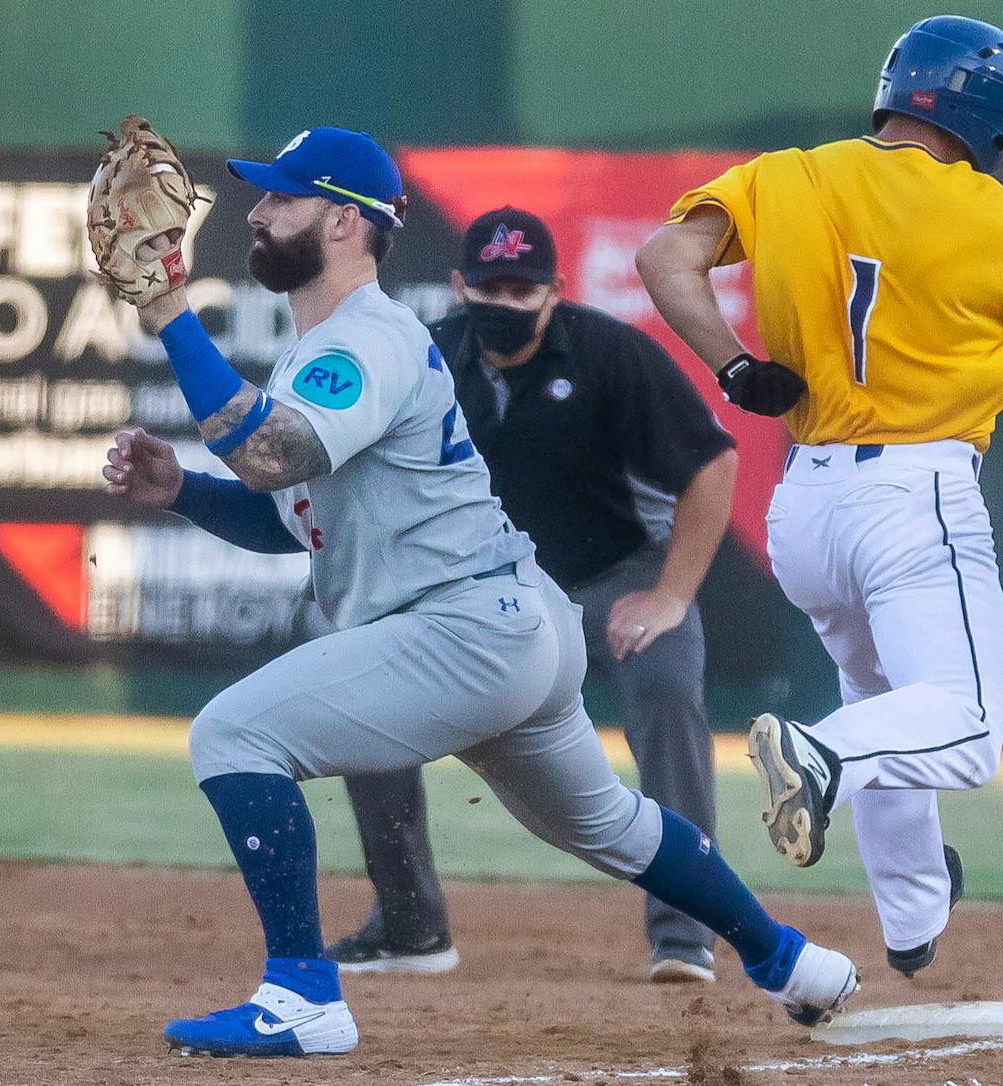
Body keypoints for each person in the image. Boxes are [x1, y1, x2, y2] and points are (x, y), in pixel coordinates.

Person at [99, 125, 858, 1058]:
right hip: (514, 623)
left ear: (344, 221)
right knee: (612, 824)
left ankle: (303, 995)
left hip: (464, 630)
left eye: (280, 196)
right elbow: (286, 513)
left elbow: (271, 451)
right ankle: (793, 960)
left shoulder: (365, 342)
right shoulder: (332, 349)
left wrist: (174, 316)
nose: (256, 212)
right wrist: (178, 491)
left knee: (232, 734)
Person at [636, 16, 1003, 980]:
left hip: (806, 504)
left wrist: (732, 366)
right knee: (963, 728)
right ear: (992, 118)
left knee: (887, 695)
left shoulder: (791, 175)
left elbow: (663, 261)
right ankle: (821, 756)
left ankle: (913, 915)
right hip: (916, 494)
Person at [328, 208, 737, 985]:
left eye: (523, 288)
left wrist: (671, 597)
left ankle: (685, 930)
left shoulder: (610, 353)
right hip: (486, 587)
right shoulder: (427, 354)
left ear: (556, 288)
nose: (505, 302)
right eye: (490, 287)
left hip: (613, 573)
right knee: (362, 687)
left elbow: (712, 465)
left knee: (664, 683)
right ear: (458, 286)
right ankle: (411, 926)